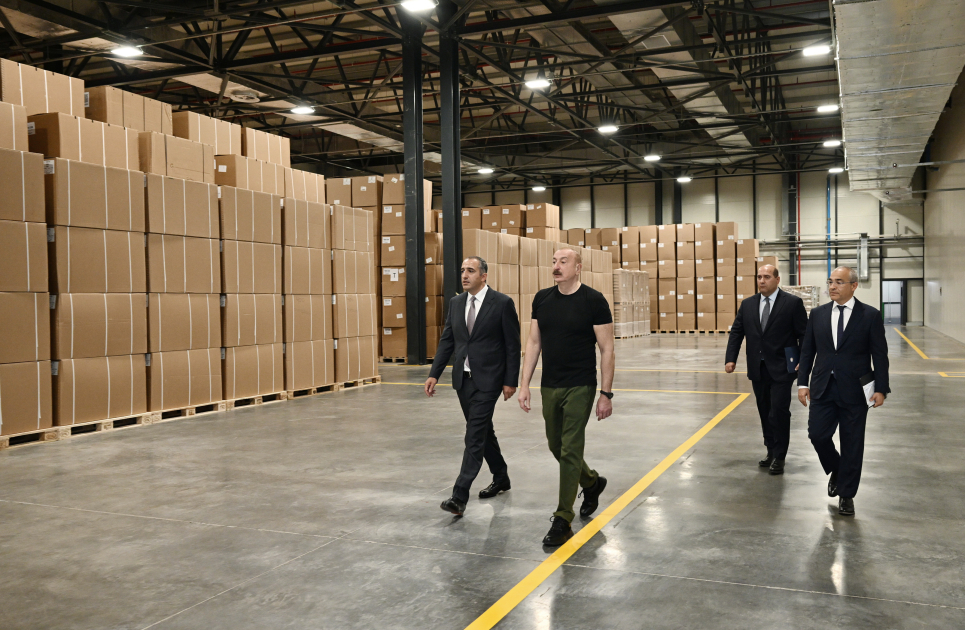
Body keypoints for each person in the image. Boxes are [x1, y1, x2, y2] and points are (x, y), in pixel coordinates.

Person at [518, 248, 614, 547]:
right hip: (550, 385)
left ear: (578, 267)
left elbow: (607, 349)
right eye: (554, 261)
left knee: (570, 448)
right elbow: (534, 342)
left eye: (563, 262)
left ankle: (563, 518)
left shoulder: (594, 300)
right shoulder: (542, 299)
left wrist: (605, 393)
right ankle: (592, 482)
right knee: (555, 445)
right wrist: (524, 384)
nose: (556, 267)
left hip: (580, 385)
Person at [426, 256, 521, 517]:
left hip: (489, 379)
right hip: (463, 380)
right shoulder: (456, 303)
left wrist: (510, 380)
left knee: (474, 435)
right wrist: (435, 374)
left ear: (483, 276)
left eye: (470, 270)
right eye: (462, 270)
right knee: (483, 431)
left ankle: (459, 496)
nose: (464, 275)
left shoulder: (501, 303)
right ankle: (501, 476)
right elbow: (448, 340)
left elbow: (512, 345)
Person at [797, 266, 890, 516]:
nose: (832, 287)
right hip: (823, 387)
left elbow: (880, 355)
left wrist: (881, 388)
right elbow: (807, 351)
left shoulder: (869, 315)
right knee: (817, 435)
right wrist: (803, 383)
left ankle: (846, 495)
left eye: (839, 282)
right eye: (830, 281)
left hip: (855, 390)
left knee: (853, 443)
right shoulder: (818, 314)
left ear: (854, 286)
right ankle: (837, 468)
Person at [725, 264, 808, 475]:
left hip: (783, 367)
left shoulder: (792, 303)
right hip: (757, 367)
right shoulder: (748, 304)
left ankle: (780, 456)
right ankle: (770, 450)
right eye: (759, 277)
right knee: (764, 411)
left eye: (767, 277)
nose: (762, 281)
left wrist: (803, 361)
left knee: (778, 411)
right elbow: (737, 332)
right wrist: (730, 359)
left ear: (777, 280)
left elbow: (804, 335)